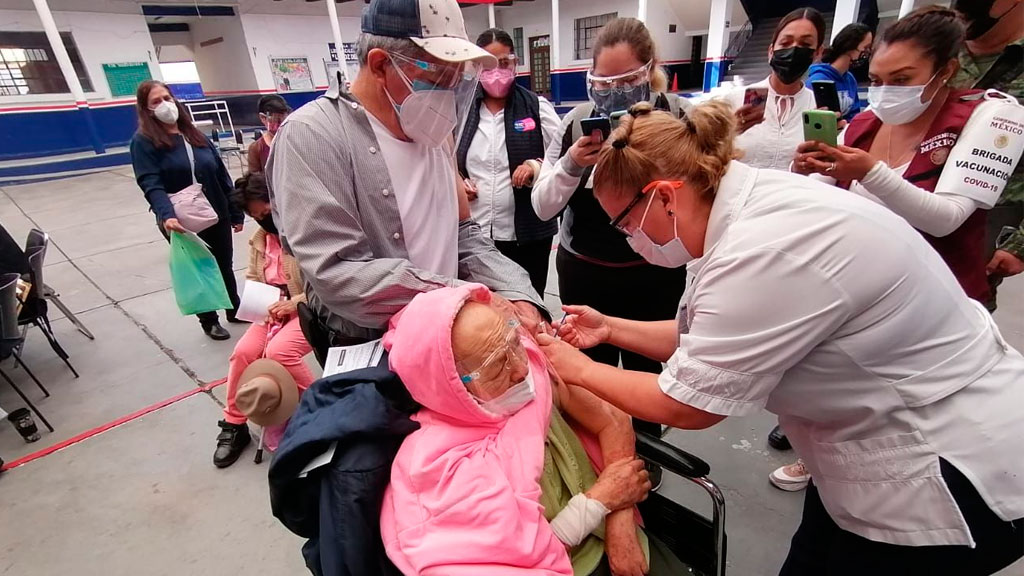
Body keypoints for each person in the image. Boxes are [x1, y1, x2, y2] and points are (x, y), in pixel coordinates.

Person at [536, 100, 1024, 574]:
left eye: (625, 226)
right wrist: (611, 328)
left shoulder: (764, 249)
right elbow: (709, 339)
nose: (629, 240)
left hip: (947, 468)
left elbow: (688, 405)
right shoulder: (754, 207)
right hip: (868, 456)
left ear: (664, 195)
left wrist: (578, 368)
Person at [267, 0, 547, 358]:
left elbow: (462, 234)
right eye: (436, 78)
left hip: (448, 333)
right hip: (372, 347)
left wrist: (517, 294)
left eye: (456, 79)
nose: (447, 94)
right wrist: (467, 299)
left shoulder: (433, 130)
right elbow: (339, 273)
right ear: (381, 65)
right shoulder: (313, 137)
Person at [381, 284, 690, 576]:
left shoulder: (531, 367)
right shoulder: (438, 467)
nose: (520, 368)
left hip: (607, 528)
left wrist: (620, 523)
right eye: (497, 365)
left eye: (515, 342)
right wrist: (597, 502)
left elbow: (612, 417)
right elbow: (507, 560)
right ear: (450, 386)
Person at [531, 17, 691, 454]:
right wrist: (571, 165)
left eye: (628, 80)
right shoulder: (577, 122)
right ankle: (602, 457)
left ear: (650, 70)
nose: (616, 93)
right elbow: (543, 206)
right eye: (604, 83)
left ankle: (648, 458)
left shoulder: (677, 117)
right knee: (592, 373)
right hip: (586, 273)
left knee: (649, 372)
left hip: (654, 275)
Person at [794, 7, 1024, 307]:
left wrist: (869, 172)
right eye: (876, 80)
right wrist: (802, 170)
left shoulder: (993, 116)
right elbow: (819, 192)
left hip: (935, 299)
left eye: (902, 79)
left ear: (945, 71)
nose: (886, 92)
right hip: (858, 291)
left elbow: (946, 219)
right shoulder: (867, 122)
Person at [212, 173, 313, 468]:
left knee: (280, 352)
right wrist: (262, 305)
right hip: (270, 312)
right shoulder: (259, 241)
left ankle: (320, 406)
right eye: (256, 216)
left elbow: (323, 286)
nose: (262, 220)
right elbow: (254, 279)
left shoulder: (301, 234)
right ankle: (234, 423)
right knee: (242, 353)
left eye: (266, 213)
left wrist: (292, 304)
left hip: (305, 310)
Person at [130, 80, 243, 341]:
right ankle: (209, 320)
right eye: (156, 101)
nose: (164, 105)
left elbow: (220, 173)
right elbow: (149, 181)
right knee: (200, 267)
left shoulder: (193, 134)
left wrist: (236, 210)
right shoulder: (144, 142)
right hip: (181, 219)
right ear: (146, 110)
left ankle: (233, 308)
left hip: (216, 211)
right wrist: (166, 215)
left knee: (224, 264)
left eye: (167, 98)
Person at [456, 29, 561, 296]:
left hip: (527, 236)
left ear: (514, 64)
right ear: (477, 66)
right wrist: (457, 180)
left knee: (529, 302)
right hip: (477, 236)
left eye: (504, 62)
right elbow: (442, 157)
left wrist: (536, 167)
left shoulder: (536, 107)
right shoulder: (462, 109)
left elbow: (562, 158)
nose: (497, 70)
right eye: (488, 64)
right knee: (484, 308)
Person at [950, 0, 1024, 311]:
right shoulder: (940, 46)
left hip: (991, 219)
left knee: (958, 318)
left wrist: (1020, 246)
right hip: (911, 201)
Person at [730, 7, 826, 170]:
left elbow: (824, 170)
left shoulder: (819, 107)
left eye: (805, 44)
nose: (794, 50)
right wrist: (727, 134)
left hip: (792, 193)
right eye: (786, 43)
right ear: (771, 51)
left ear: (817, 53)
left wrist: (800, 168)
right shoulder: (733, 100)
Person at [807, 23, 873, 121]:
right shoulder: (817, 80)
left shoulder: (850, 79)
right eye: (865, 48)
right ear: (851, 46)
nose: (867, 52)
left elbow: (853, 115)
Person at [248, 94, 291, 174]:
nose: (281, 124)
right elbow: (254, 180)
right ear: (263, 118)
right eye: (276, 120)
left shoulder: (294, 140)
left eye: (284, 119)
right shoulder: (257, 148)